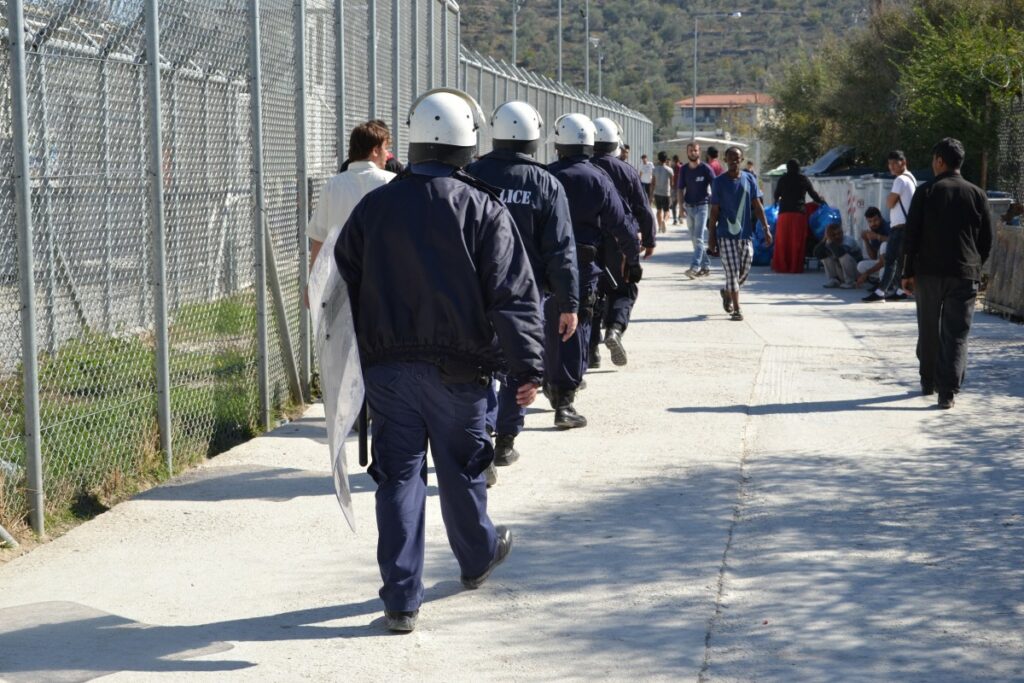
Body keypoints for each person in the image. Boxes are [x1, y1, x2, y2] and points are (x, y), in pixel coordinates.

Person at [334, 89, 545, 632]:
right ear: (468, 144)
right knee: (463, 470)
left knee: (398, 478)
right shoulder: (483, 207)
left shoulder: (375, 206)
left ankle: (401, 600)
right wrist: (527, 369)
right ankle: (476, 559)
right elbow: (513, 295)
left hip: (388, 370)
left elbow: (346, 269)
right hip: (460, 371)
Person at [466, 101, 578, 469]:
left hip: (476, 290)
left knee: (481, 366)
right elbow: (561, 249)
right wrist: (569, 303)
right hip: (527, 296)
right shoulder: (546, 183)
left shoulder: (470, 174)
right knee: (521, 365)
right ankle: (506, 440)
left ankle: (481, 435)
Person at [547, 113, 642, 427]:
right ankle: (565, 401)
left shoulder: (545, 175)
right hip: (583, 264)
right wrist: (633, 258)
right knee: (578, 326)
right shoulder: (598, 178)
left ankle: (550, 380)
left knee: (548, 324)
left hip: (545, 264)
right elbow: (622, 223)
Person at [901, 137, 993, 409]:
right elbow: (986, 239)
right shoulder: (977, 194)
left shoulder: (926, 191)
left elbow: (911, 235)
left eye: (933, 160)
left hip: (928, 274)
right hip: (964, 273)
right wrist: (976, 266)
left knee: (928, 328)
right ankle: (947, 392)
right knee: (956, 333)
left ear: (939, 161)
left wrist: (907, 271)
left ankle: (927, 381)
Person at [590, 117, 656, 368]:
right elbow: (642, 209)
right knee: (623, 289)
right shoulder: (626, 170)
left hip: (589, 241)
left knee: (592, 293)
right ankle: (615, 330)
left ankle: (590, 350)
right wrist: (649, 240)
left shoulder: (584, 166)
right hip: (620, 242)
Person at [306, 121, 395, 276]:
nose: (387, 155)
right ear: (375, 150)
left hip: (339, 278)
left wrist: (311, 285)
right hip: (382, 277)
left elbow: (319, 239)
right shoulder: (392, 182)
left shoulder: (333, 185)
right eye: (385, 148)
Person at [708, 146, 772, 321]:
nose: (734, 161)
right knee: (732, 272)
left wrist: (766, 228)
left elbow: (757, 206)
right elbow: (714, 211)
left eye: (737, 158)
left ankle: (727, 291)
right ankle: (737, 309)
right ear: (725, 160)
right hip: (725, 235)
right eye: (730, 158)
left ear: (741, 160)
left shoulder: (749, 179)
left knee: (744, 269)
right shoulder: (719, 182)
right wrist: (711, 238)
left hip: (745, 234)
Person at [864, 150, 917, 302]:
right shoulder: (911, 178)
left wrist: (890, 198)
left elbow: (889, 203)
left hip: (899, 227)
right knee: (900, 261)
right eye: (890, 163)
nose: (892, 166)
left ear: (904, 163)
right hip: (907, 226)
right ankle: (901, 291)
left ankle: (881, 292)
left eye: (895, 163)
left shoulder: (900, 180)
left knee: (890, 259)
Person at [771, 159, 825, 273]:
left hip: (784, 214)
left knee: (783, 240)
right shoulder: (803, 179)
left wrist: (777, 201)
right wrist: (821, 202)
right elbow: (813, 194)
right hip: (798, 214)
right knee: (797, 241)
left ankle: (782, 266)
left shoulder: (783, 178)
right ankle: (794, 266)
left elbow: (776, 195)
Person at [677, 141, 715, 278]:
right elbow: (680, 189)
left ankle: (694, 267)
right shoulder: (684, 169)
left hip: (702, 207)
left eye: (696, 150)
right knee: (694, 239)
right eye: (691, 150)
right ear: (687, 153)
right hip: (689, 207)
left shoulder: (706, 169)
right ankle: (706, 266)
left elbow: (715, 185)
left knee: (698, 238)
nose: (693, 153)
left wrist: (716, 204)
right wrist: (681, 207)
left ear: (699, 152)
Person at [813, 223, 862, 288]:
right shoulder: (829, 241)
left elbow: (841, 253)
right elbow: (817, 254)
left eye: (839, 233)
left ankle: (850, 282)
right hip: (841, 272)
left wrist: (831, 242)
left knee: (844, 257)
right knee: (825, 257)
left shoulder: (848, 240)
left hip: (856, 272)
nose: (837, 236)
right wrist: (824, 239)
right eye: (834, 235)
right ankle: (834, 280)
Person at [652, 152, 675, 234]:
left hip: (657, 192)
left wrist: (651, 195)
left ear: (658, 159)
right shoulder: (670, 170)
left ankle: (659, 227)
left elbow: (653, 183)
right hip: (666, 193)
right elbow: (672, 183)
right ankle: (664, 221)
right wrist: (673, 194)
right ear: (666, 160)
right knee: (667, 211)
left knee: (658, 210)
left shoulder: (654, 169)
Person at [670, 154, 682, 224]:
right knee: (680, 203)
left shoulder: (673, 168)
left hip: (674, 188)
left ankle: (675, 219)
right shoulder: (681, 167)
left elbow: (672, 178)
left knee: (674, 204)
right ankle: (679, 218)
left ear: (674, 160)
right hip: (681, 188)